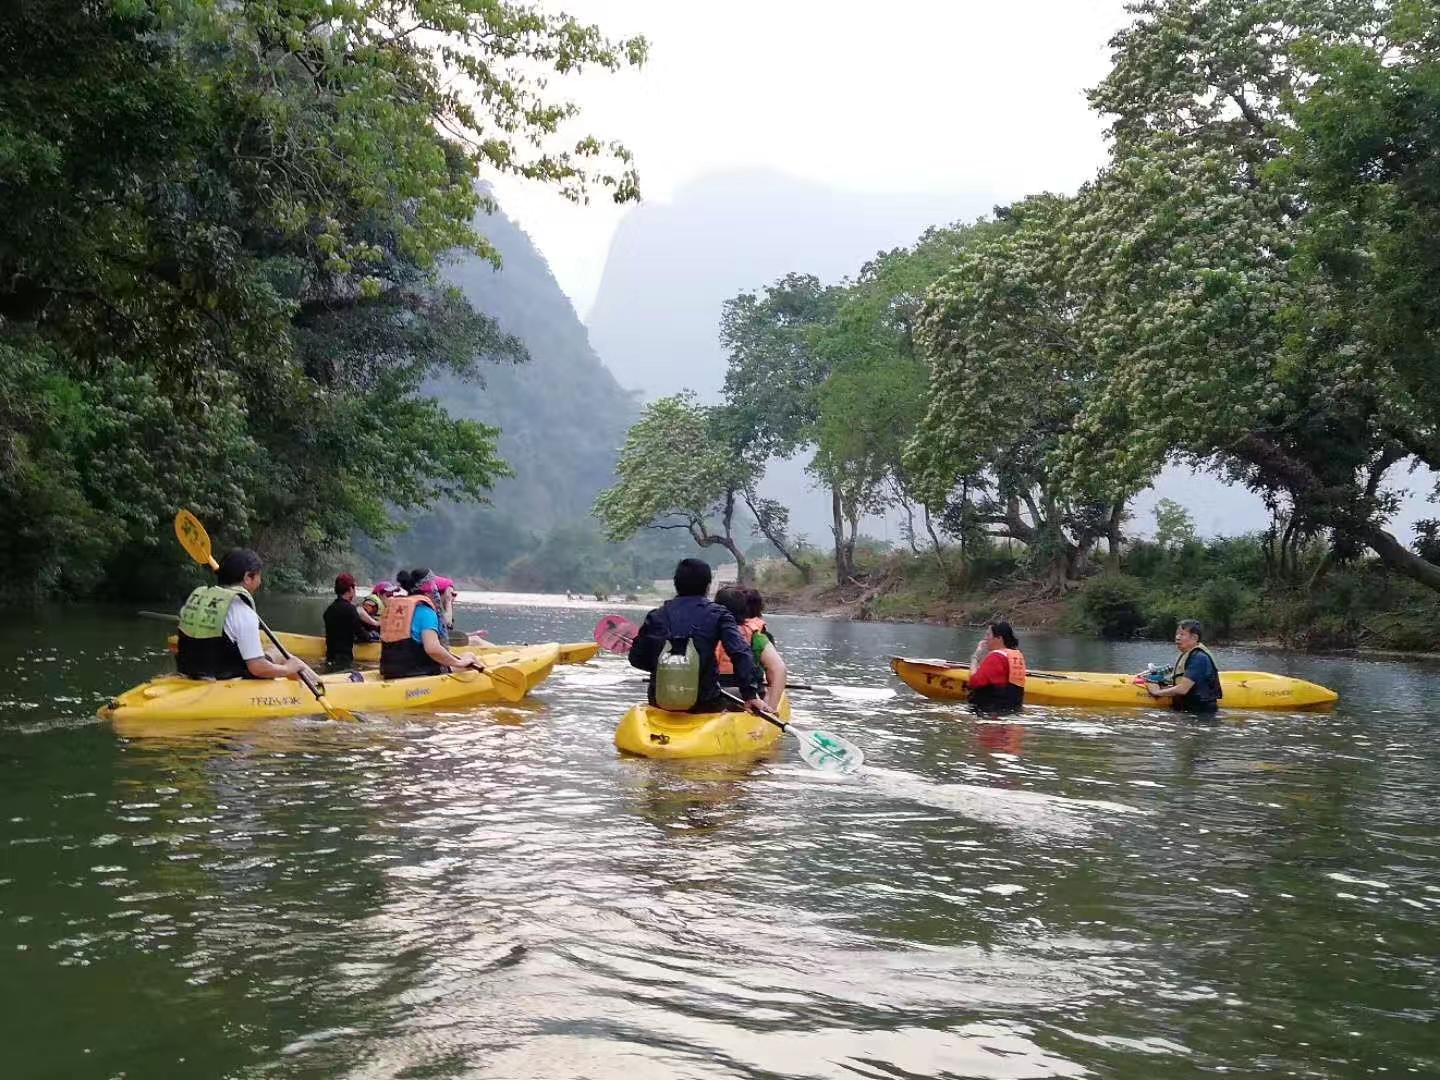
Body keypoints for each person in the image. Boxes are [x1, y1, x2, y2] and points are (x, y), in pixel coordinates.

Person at [628, 559, 766, 714]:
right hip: (704, 703)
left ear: (676, 584)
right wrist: (750, 694)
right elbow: (740, 653)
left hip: (659, 700)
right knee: (747, 695)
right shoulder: (719, 614)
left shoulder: (656, 616)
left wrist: (669, 667)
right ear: (708, 586)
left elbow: (636, 659)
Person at [175, 548, 315, 682]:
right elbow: (258, 668)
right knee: (287, 658)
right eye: (259, 575)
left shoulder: (195, 600)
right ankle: (319, 685)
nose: (260, 581)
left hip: (188, 674)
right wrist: (287, 669)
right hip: (224, 679)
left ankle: (315, 682)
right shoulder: (242, 611)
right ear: (248, 577)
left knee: (272, 651)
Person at [378, 568, 484, 679]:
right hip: (416, 672)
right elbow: (432, 649)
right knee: (470, 656)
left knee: (466, 656)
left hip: (389, 670)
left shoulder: (398, 605)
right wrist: (458, 663)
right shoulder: (426, 611)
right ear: (431, 591)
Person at [714, 585, 788, 712]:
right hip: (742, 696)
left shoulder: (704, 632)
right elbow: (778, 670)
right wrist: (771, 706)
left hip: (712, 695)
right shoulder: (757, 636)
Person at [1145, 618, 1223, 714]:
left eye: (1182, 634)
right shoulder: (1188, 654)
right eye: (1177, 634)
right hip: (1187, 709)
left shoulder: (1199, 658)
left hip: (1200, 713)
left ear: (1194, 638)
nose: (1177, 637)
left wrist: (1157, 692)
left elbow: (1183, 689)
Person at [966, 620, 1026, 713]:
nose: (985, 639)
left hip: (990, 711)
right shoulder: (1017, 655)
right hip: (1013, 708)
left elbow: (974, 682)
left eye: (988, 635)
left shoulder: (996, 657)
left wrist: (975, 659)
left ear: (999, 638)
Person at [324, 572, 378, 672]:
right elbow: (362, 635)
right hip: (344, 662)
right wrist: (372, 636)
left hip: (329, 659)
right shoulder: (351, 610)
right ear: (350, 589)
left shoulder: (329, 610)